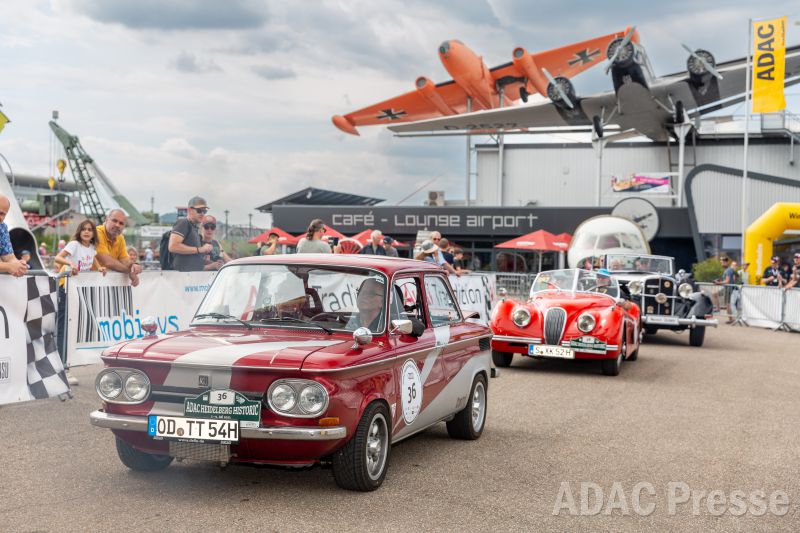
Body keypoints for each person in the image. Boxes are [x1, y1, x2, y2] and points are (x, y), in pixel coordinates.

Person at [54, 219, 108, 385]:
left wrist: (100, 268)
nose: (86, 232)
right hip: (65, 288)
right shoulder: (74, 244)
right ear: (79, 231)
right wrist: (70, 262)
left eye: (90, 230)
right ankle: (61, 367)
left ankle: (65, 365)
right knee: (64, 328)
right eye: (83, 229)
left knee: (73, 328)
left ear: (93, 233)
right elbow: (58, 257)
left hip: (78, 292)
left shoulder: (92, 248)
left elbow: (94, 262)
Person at [94, 209, 142, 286]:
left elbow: (125, 260)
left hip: (102, 282)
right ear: (106, 220)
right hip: (88, 281)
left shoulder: (120, 238)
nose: (117, 225)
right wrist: (130, 271)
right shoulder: (97, 233)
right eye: (114, 221)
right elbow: (108, 262)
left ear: (124, 226)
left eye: (121, 223)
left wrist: (134, 265)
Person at [168, 196, 212, 272]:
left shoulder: (194, 228)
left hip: (192, 277)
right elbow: (173, 246)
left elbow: (191, 255)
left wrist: (205, 260)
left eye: (204, 211)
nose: (202, 213)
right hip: (183, 277)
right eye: (199, 210)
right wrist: (200, 249)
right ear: (189, 210)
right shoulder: (183, 223)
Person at [0, 194, 29, 277]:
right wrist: (9, 266)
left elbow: (9, 257)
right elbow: (9, 264)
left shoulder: (2, 227)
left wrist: (19, 265)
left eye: (2, 214)